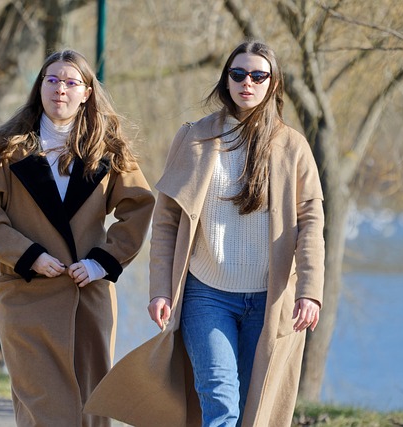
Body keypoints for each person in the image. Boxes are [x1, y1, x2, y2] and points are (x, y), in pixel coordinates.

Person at [85, 40, 325, 427]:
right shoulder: (195, 138)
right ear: (226, 80)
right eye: (238, 74)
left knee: (252, 407)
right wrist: (161, 289)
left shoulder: (293, 147)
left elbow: (311, 222)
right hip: (205, 294)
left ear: (273, 84)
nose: (247, 82)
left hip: (269, 300)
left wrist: (310, 291)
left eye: (258, 75)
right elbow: (166, 220)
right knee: (220, 401)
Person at [0, 49, 155, 427]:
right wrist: (28, 255)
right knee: (45, 408)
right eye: (51, 80)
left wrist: (102, 262)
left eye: (71, 82)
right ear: (39, 87)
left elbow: (138, 206)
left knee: (92, 405)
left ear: (86, 92)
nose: (60, 90)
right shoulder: (5, 147)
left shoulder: (110, 149)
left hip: (89, 295)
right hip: (25, 294)